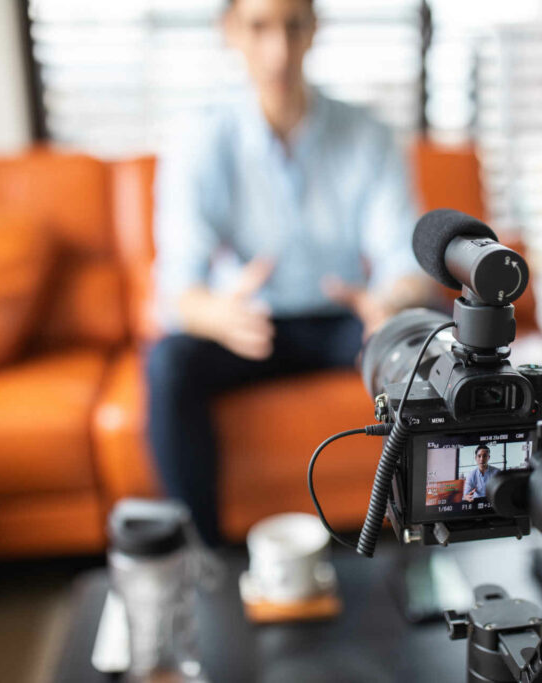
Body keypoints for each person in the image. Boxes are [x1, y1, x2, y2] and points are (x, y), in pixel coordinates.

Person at [145, 0, 430, 545]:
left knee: (427, 344)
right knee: (168, 363)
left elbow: (403, 255)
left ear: (314, 29)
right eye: (259, 27)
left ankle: (427, 532)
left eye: (293, 27)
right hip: (248, 324)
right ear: (229, 31)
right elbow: (176, 281)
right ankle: (204, 555)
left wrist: (390, 304)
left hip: (342, 318)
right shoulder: (200, 139)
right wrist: (214, 313)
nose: (278, 51)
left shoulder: (367, 133)